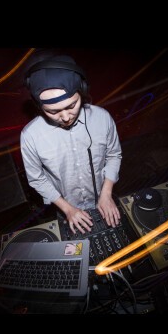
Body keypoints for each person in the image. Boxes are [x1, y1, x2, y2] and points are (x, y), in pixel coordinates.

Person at [20, 54, 122, 235]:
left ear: (82, 90)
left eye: (71, 106)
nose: (66, 117)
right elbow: (37, 179)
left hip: (105, 199)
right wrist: (67, 209)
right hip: (65, 209)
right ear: (38, 106)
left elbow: (114, 155)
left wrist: (106, 194)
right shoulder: (30, 136)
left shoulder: (102, 118)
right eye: (53, 112)